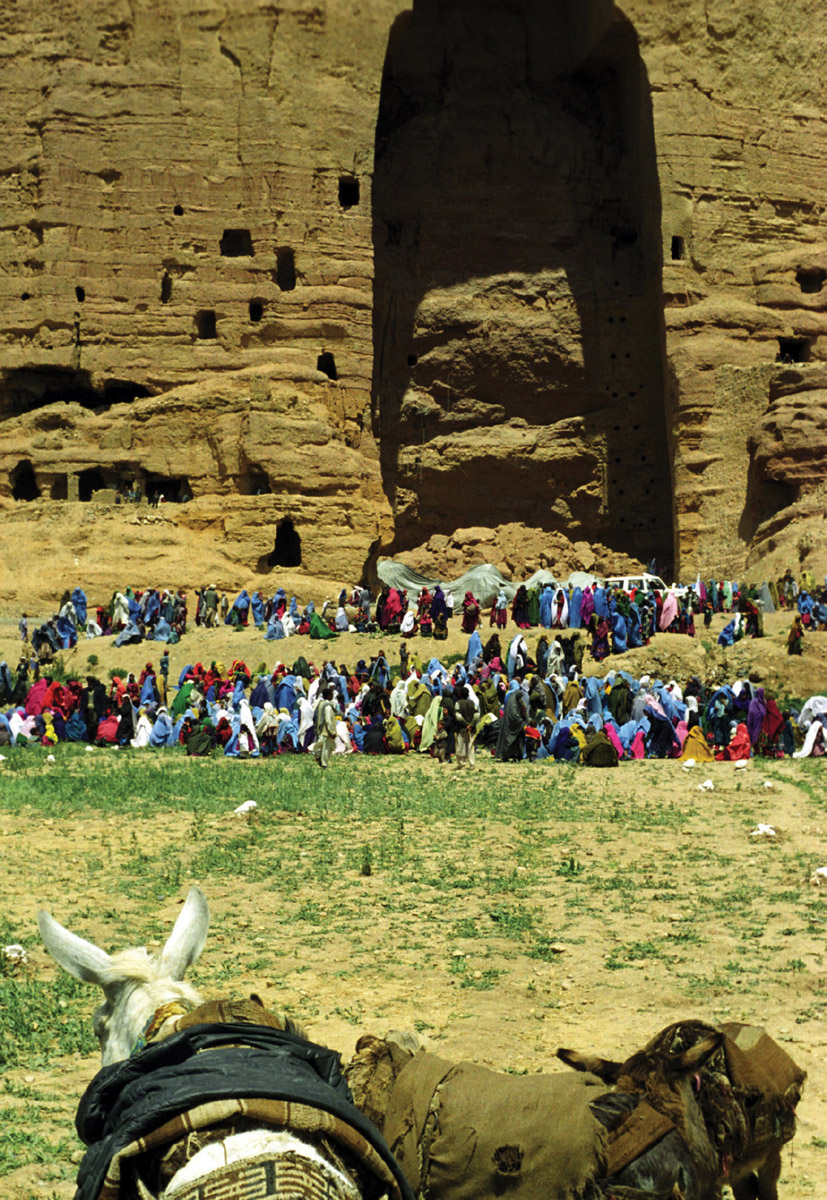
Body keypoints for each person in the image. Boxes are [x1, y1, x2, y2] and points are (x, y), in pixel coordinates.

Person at [312, 686, 338, 768]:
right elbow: (328, 721)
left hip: (320, 729)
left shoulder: (320, 704)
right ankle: (324, 763)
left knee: (321, 746)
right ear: (329, 695)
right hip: (326, 730)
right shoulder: (328, 707)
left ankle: (319, 757)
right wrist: (332, 731)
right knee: (326, 748)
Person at [453, 685, 476, 768]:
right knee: (470, 745)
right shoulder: (472, 703)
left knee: (460, 746)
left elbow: (457, 715)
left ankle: (461, 763)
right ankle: (471, 763)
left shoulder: (458, 703)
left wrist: (466, 724)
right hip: (471, 728)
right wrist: (471, 724)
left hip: (461, 728)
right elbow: (476, 715)